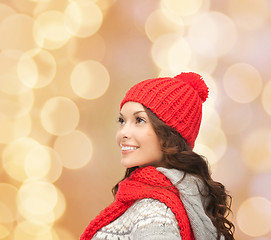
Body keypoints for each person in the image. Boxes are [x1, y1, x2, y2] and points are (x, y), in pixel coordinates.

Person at [81, 72, 235, 240]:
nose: (123, 132)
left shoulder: (156, 214)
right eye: (122, 121)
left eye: (139, 120)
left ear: (170, 134)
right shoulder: (170, 196)